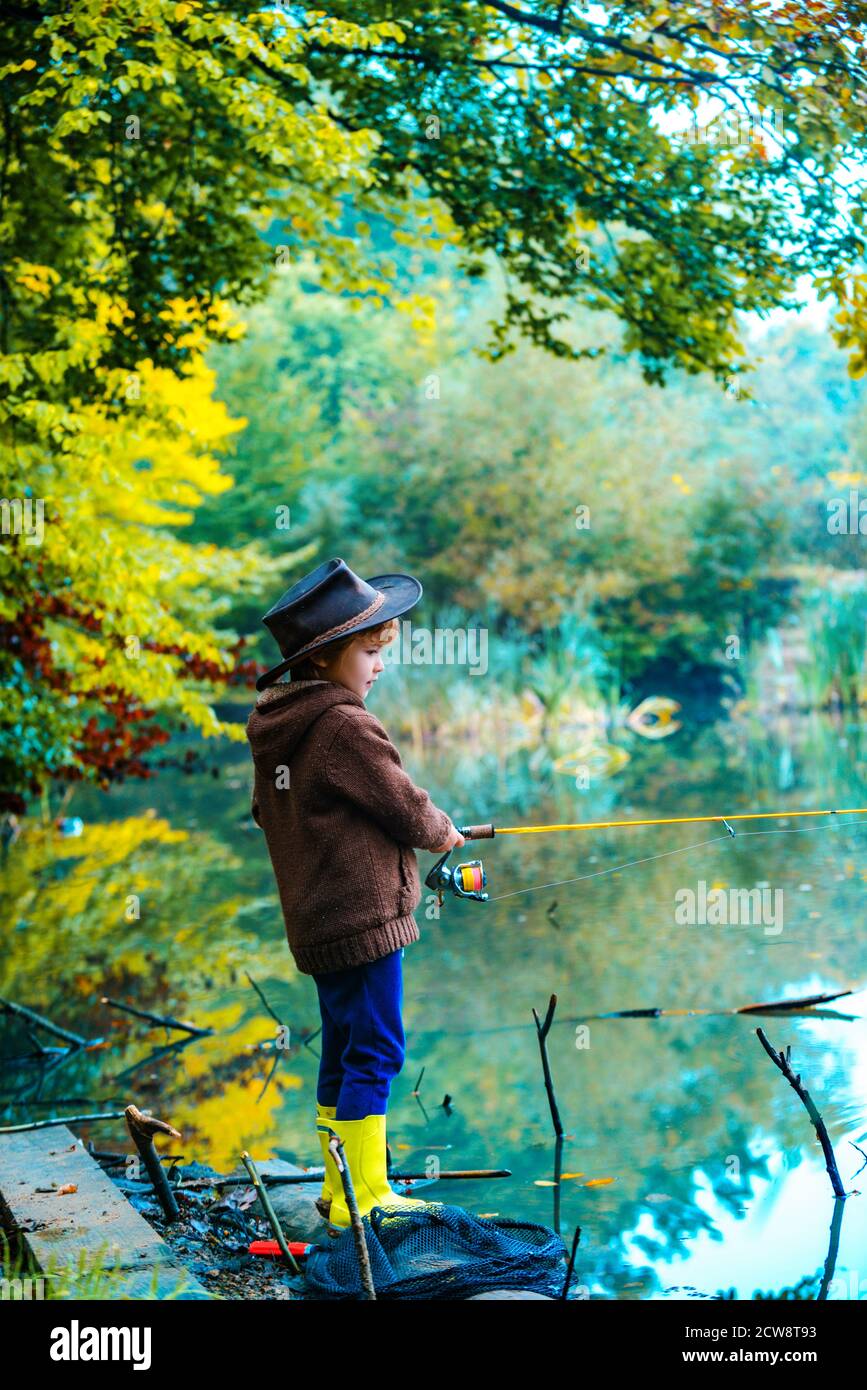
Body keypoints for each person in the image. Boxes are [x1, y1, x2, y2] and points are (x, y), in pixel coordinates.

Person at [245, 558, 464, 1229]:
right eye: (369, 653)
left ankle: (338, 1194)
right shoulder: (344, 725)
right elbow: (403, 807)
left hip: (319, 926)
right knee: (377, 1049)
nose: (378, 666)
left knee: (343, 1049)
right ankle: (367, 1197)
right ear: (326, 658)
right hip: (364, 923)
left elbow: (268, 812)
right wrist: (442, 831)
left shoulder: (280, 725)